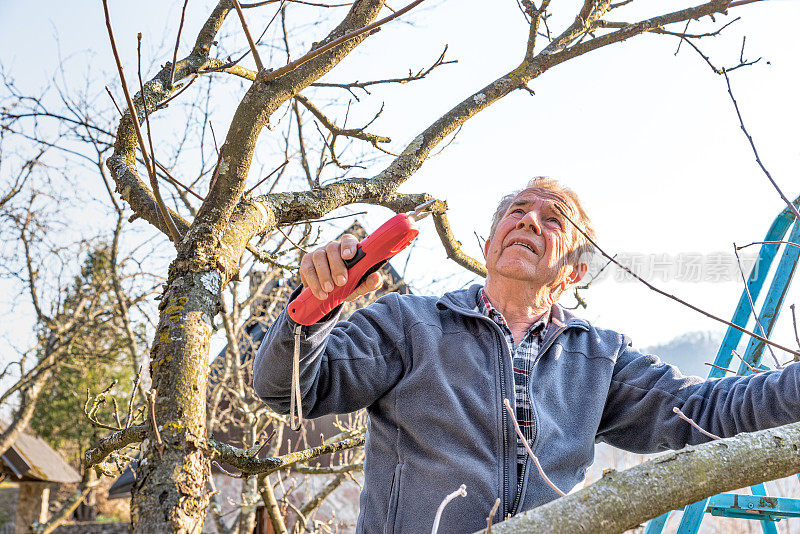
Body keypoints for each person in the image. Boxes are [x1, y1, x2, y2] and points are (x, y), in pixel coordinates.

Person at [253, 177, 800, 534]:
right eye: (517, 212)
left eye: (553, 219)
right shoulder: (407, 324)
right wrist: (313, 309)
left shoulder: (600, 359)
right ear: (490, 246)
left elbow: (705, 413)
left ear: (574, 272)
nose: (529, 221)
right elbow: (287, 390)